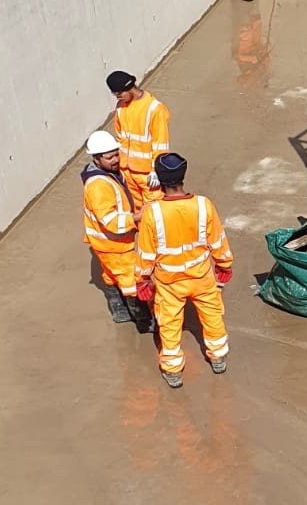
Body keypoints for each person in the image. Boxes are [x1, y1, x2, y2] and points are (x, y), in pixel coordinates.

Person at [135, 152, 233, 388]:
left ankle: (173, 370)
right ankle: (218, 356)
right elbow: (218, 240)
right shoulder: (203, 205)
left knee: (169, 324)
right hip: (201, 276)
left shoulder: (153, 213)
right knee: (211, 315)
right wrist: (224, 265)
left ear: (159, 178)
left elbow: (146, 253)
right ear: (183, 176)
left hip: (170, 282)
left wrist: (142, 280)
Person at [82, 130, 149, 329]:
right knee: (130, 281)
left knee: (111, 275)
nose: (115, 159)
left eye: (116, 154)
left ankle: (120, 313)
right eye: (109, 156)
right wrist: (136, 217)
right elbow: (109, 220)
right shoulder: (98, 186)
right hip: (114, 243)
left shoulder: (107, 174)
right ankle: (144, 322)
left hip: (105, 243)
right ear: (96, 158)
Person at [107, 71, 171, 211]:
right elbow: (120, 138)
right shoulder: (121, 107)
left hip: (147, 175)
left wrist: (156, 170)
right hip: (127, 172)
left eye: (119, 94)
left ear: (129, 87)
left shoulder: (154, 109)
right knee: (135, 211)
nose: (118, 98)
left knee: (153, 211)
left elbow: (161, 144)